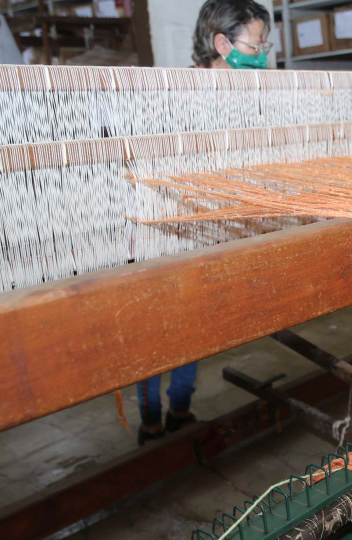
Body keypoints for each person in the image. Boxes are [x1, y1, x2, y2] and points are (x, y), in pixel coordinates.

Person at [137, 0, 272, 446]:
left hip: (207, 231)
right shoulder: (173, 96)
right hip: (163, 230)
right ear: (222, 43)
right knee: (157, 333)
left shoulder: (245, 99)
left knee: (194, 328)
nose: (264, 54)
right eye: (258, 44)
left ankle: (179, 409)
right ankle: (151, 420)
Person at [192, 0, 272, 69]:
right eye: (255, 47)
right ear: (222, 44)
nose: (263, 59)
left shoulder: (243, 84)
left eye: (263, 47)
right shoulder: (183, 86)